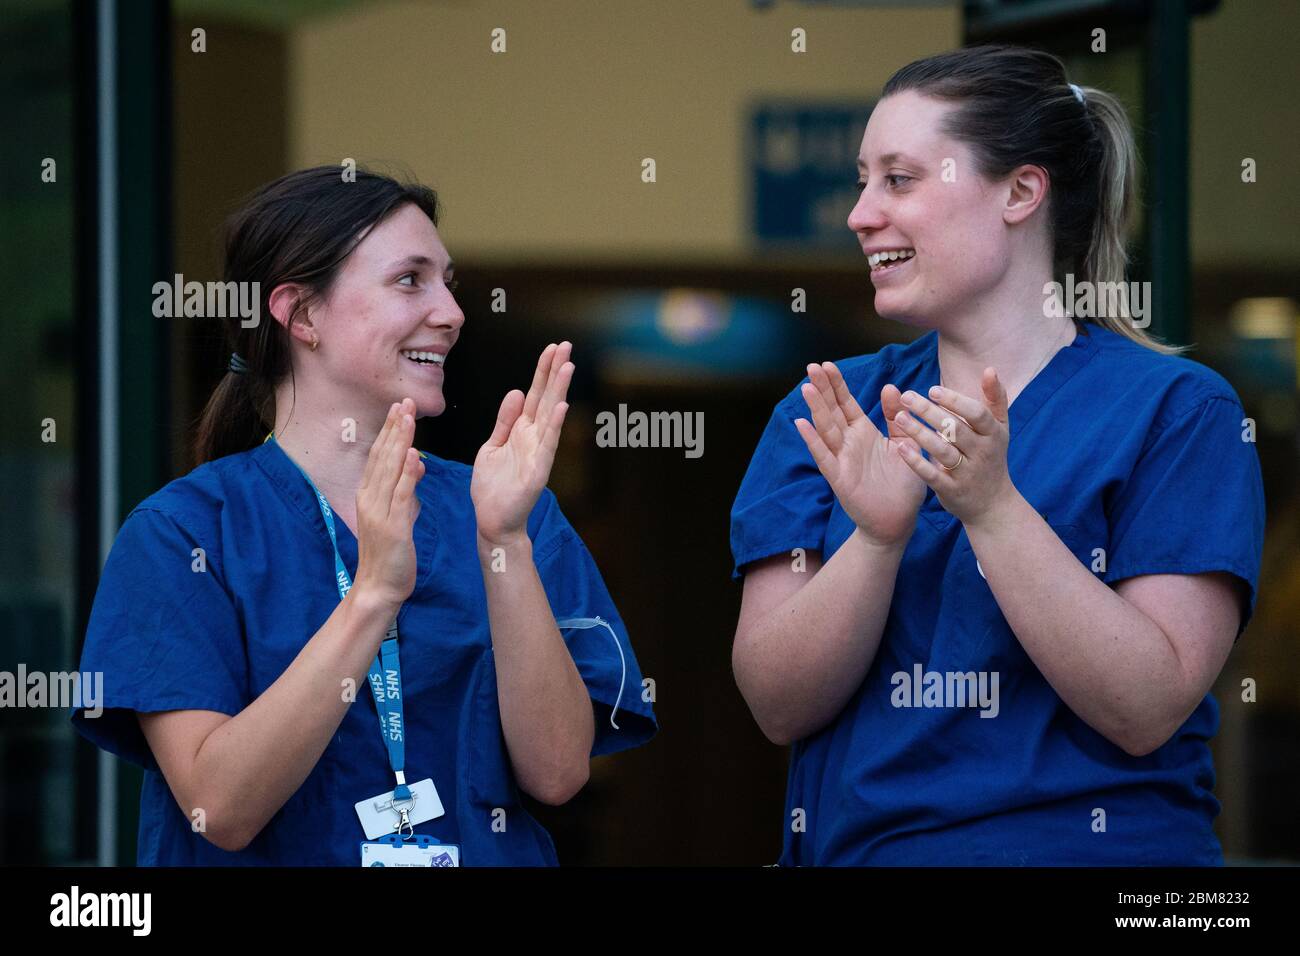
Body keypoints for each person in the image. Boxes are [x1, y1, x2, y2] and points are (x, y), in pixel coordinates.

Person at [729, 45, 1264, 865]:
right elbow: (775, 706)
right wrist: (876, 542)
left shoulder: (1178, 410)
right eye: (863, 179)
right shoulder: (829, 407)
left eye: (899, 179)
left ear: (1020, 191)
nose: (860, 213)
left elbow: (1146, 705)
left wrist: (994, 510)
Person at [72, 165, 655, 865]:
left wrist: (504, 543)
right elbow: (217, 807)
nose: (450, 311)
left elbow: (559, 773)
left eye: (448, 282)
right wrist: (374, 594)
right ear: (301, 314)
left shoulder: (506, 510)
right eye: (410, 280)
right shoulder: (182, 534)